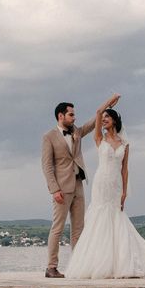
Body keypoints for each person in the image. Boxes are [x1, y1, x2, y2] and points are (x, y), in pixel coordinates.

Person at [64, 95, 145, 279]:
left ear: (114, 121)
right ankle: (98, 263)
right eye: (102, 119)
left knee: (116, 217)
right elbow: (97, 112)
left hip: (116, 185)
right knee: (99, 217)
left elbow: (125, 170)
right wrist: (110, 101)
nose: (103, 120)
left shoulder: (125, 144)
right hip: (101, 182)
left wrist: (125, 192)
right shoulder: (99, 139)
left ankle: (120, 261)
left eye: (107, 118)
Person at [41, 97, 116, 278]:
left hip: (78, 184)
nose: (74, 118)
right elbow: (47, 166)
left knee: (79, 228)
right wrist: (54, 189)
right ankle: (51, 267)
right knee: (57, 228)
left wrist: (108, 104)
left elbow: (92, 123)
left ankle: (77, 265)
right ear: (61, 116)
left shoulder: (76, 131)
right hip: (61, 188)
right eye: (71, 114)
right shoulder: (49, 137)